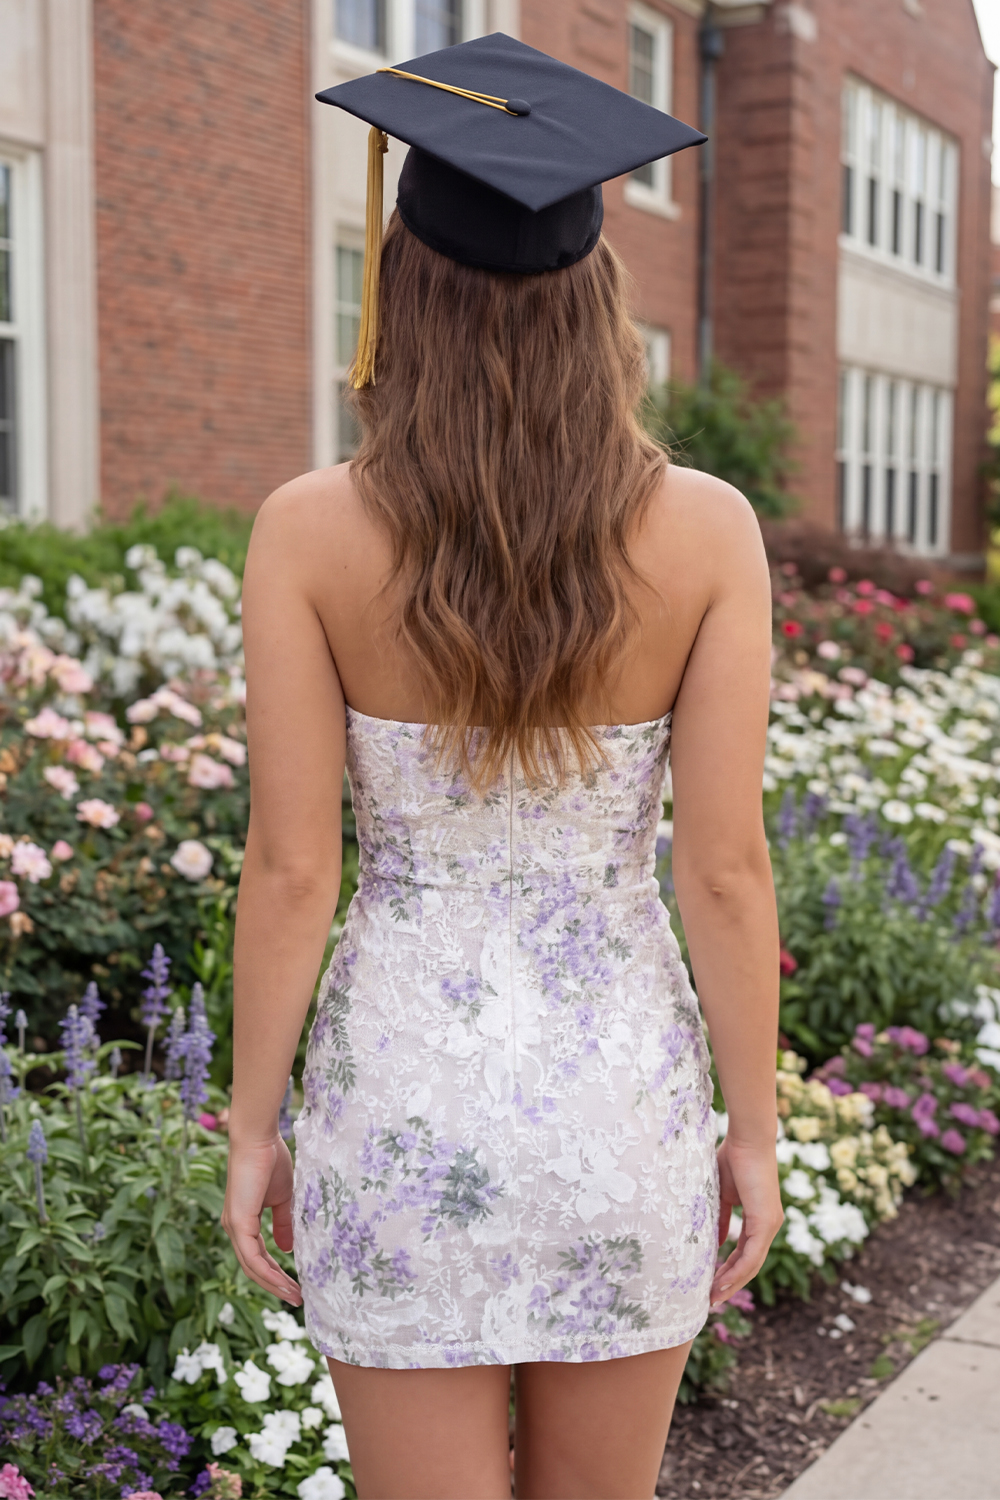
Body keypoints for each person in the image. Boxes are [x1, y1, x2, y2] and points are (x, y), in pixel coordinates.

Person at [222, 32, 782, 1500]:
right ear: (603, 299)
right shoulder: (711, 533)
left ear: (400, 285)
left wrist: (250, 1128)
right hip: (621, 1105)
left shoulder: (306, 531)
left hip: (402, 1103)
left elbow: (291, 870)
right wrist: (759, 1134)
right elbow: (722, 872)